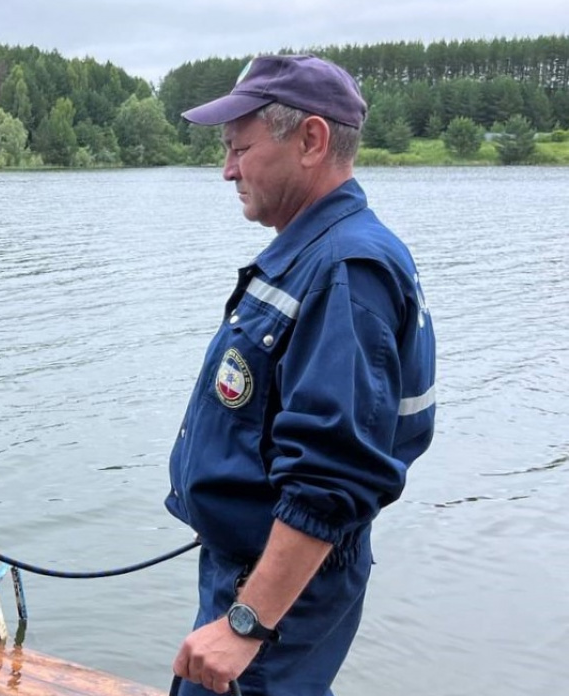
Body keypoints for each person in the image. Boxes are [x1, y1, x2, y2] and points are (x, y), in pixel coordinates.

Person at [165, 54, 436, 696]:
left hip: (280, 587)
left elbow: (333, 472)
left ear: (311, 140)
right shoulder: (318, 252)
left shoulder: (345, 270)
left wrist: (247, 622)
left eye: (241, 149)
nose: (227, 169)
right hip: (263, 570)